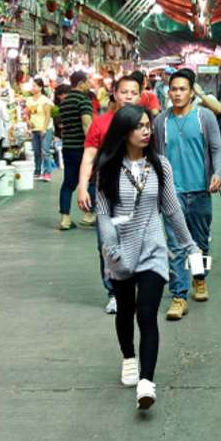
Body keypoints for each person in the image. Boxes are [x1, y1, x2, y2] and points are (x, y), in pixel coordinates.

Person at [95, 105, 201, 411]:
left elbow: (171, 209)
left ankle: (147, 381)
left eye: (148, 125)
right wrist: (111, 250)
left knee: (147, 313)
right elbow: (103, 213)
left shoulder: (161, 166)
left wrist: (189, 244)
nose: (146, 131)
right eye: (139, 126)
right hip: (120, 251)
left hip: (153, 248)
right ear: (124, 132)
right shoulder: (108, 168)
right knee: (125, 310)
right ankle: (129, 357)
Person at [150, 68, 221, 320]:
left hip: (201, 190)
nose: (178, 93)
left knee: (201, 243)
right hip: (172, 194)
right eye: (174, 89)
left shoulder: (205, 117)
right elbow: (156, 156)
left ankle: (200, 278)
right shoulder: (161, 122)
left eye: (183, 89)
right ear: (168, 92)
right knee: (175, 246)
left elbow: (216, 149)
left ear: (192, 92)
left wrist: (218, 173)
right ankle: (179, 296)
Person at [78, 73, 145, 313]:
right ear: (115, 94)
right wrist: (83, 186)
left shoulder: (145, 123)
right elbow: (89, 156)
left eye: (133, 92)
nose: (128, 96)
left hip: (137, 193)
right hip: (106, 193)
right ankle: (115, 293)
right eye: (124, 92)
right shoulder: (101, 123)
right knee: (107, 244)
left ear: (140, 95)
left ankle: (134, 289)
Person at [54, 71, 94, 231]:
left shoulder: (64, 102)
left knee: (68, 184)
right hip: (82, 147)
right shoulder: (83, 100)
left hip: (68, 147)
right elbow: (87, 124)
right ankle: (88, 215)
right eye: (87, 82)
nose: (89, 85)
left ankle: (65, 219)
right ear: (81, 83)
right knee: (92, 180)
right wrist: (92, 145)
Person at [28, 84, 54, 181]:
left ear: (40, 88)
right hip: (34, 129)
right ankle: (38, 171)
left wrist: (44, 128)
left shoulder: (45, 100)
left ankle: (47, 172)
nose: (33, 88)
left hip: (45, 129)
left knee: (45, 151)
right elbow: (28, 113)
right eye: (33, 86)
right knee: (36, 151)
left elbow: (48, 116)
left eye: (35, 86)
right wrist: (28, 121)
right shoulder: (29, 100)